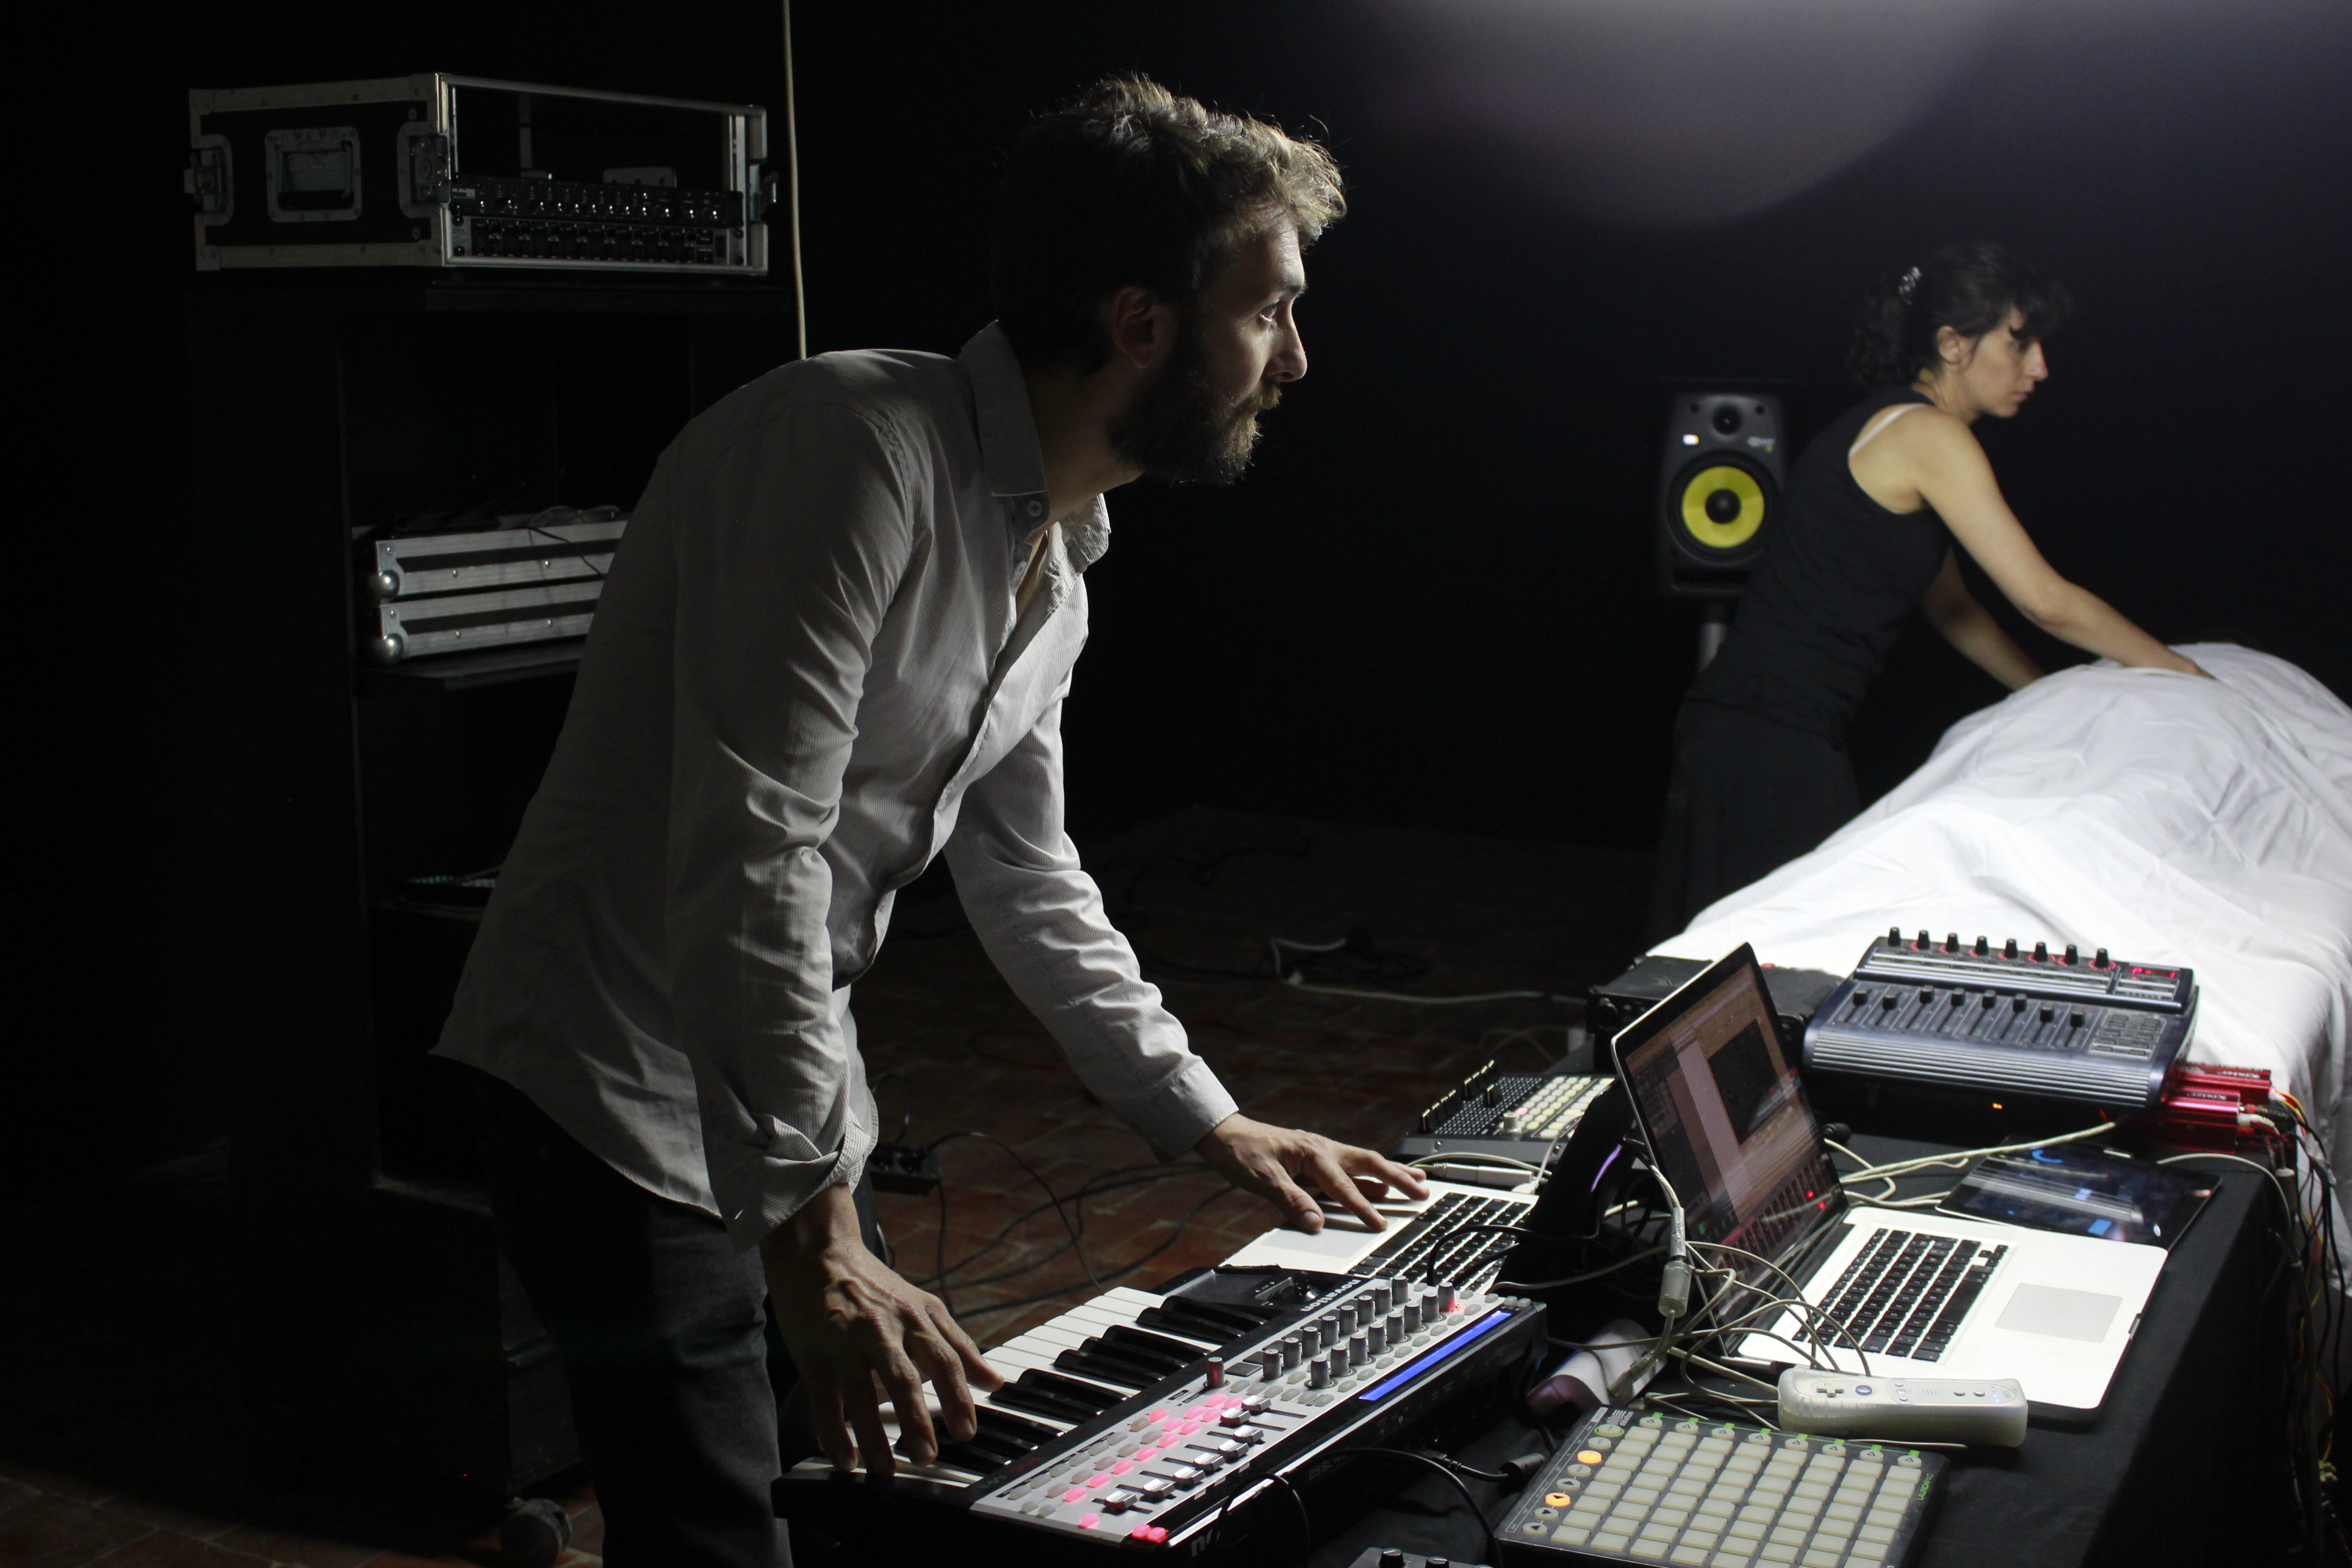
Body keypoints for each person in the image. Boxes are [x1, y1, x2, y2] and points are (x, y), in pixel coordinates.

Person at [432, 75, 1426, 1568]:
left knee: (880, 1496)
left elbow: (1027, 876)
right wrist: (818, 1234)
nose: (1294, 359)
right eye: (1269, 311)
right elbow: (755, 856)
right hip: (607, 1077)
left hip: (778, 1089)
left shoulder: (1059, 556)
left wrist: (1206, 1118)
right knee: (718, 1536)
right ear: (1139, 322)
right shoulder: (851, 447)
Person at [1647, 241, 2208, 939]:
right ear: (1952, 345)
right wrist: (2184, 674)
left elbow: (1954, 610)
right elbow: (2046, 600)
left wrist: (2048, 692)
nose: (2040, 367)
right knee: (1775, 965)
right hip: (1767, 734)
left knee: (1751, 966)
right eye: (2020, 342)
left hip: (1756, 726)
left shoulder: (1899, 426)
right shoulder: (1928, 435)